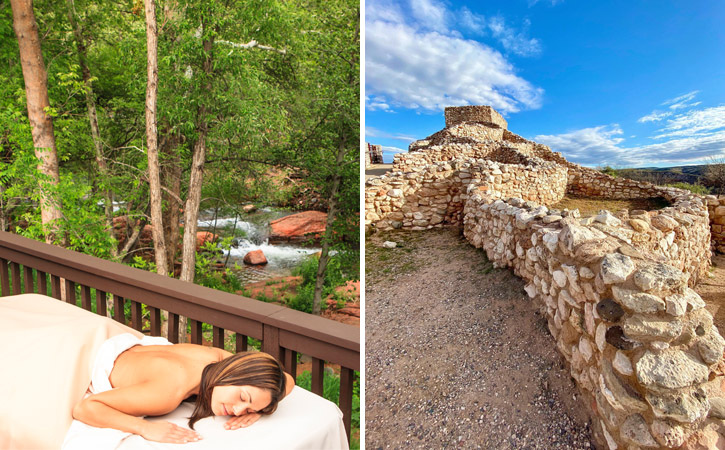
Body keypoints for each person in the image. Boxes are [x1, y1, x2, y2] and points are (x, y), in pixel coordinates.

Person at [72, 335, 295, 444]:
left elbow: (288, 379)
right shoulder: (168, 392)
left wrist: (257, 409)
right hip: (94, 359)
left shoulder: (215, 358)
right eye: (242, 398)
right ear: (233, 373)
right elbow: (86, 408)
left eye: (245, 410)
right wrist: (143, 427)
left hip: (126, 351)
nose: (238, 411)